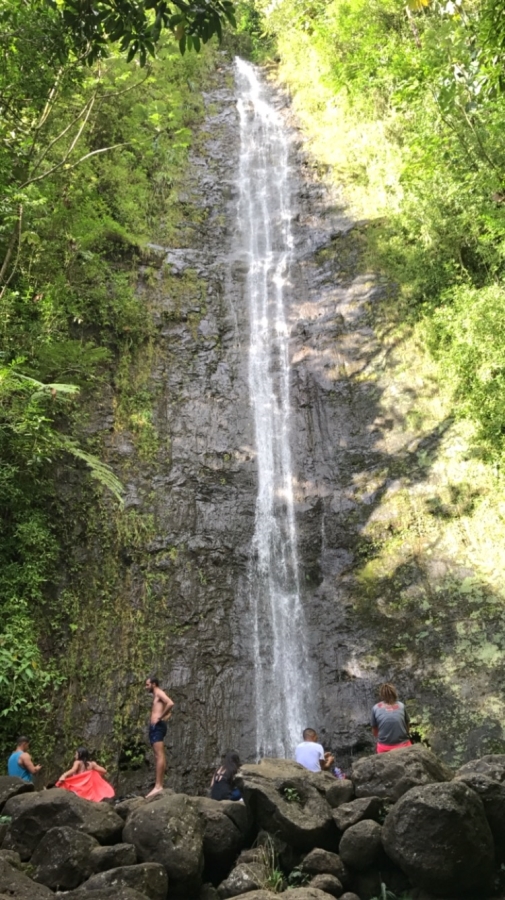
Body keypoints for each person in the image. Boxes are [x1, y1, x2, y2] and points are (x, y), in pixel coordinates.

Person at [145, 675, 175, 798]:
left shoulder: (159, 692)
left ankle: (158, 786)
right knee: (157, 756)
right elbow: (169, 711)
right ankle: (158, 785)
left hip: (157, 727)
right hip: (156, 727)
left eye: (147, 684)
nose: (145, 687)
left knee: (159, 755)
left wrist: (160, 717)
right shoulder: (156, 695)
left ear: (154, 684)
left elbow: (170, 703)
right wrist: (163, 717)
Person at [371, 683, 412, 753]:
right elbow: (407, 727)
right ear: (394, 693)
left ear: (382, 695)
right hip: (403, 746)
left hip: (384, 748)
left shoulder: (375, 708)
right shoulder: (401, 706)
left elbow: (375, 732)